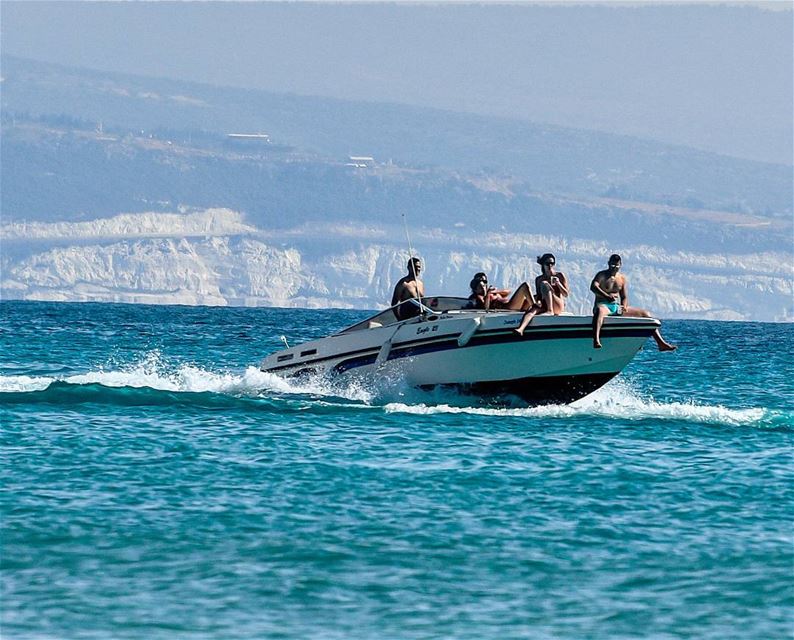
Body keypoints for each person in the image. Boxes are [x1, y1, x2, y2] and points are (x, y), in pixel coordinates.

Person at [590, 254, 676, 351]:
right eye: (612, 265)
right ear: (609, 264)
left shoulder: (621, 279)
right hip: (603, 305)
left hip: (615, 307)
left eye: (616, 265)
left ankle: (660, 343)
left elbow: (624, 296)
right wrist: (606, 296)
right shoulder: (601, 275)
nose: (614, 267)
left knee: (645, 314)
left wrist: (624, 306)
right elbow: (593, 287)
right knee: (600, 311)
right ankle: (596, 339)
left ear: (620, 265)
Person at [514, 253, 569, 335]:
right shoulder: (538, 279)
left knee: (544, 284)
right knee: (531, 310)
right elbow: (540, 296)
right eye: (547, 263)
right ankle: (521, 329)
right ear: (543, 264)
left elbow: (566, 294)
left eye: (552, 263)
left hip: (557, 304)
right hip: (545, 304)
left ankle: (550, 311)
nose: (550, 266)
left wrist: (558, 284)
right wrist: (538, 303)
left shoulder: (559, 275)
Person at [468, 272, 534, 311]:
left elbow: (508, 292)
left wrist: (495, 292)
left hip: (512, 304)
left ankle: (537, 308)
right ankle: (534, 307)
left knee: (536, 297)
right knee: (524, 286)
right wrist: (488, 295)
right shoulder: (479, 297)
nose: (483, 288)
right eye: (480, 286)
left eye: (485, 283)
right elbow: (485, 308)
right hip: (508, 308)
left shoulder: (492, 292)